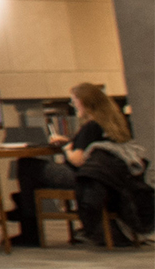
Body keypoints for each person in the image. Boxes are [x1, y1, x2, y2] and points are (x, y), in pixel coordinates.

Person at [17, 81, 143, 246]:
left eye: (74, 101)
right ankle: (21, 210)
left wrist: (65, 148)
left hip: (82, 178)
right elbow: (93, 148)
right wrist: (71, 141)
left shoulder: (90, 126)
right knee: (30, 168)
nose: (73, 105)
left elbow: (78, 159)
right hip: (106, 180)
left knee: (27, 166)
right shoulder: (112, 125)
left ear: (83, 102)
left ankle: (29, 228)